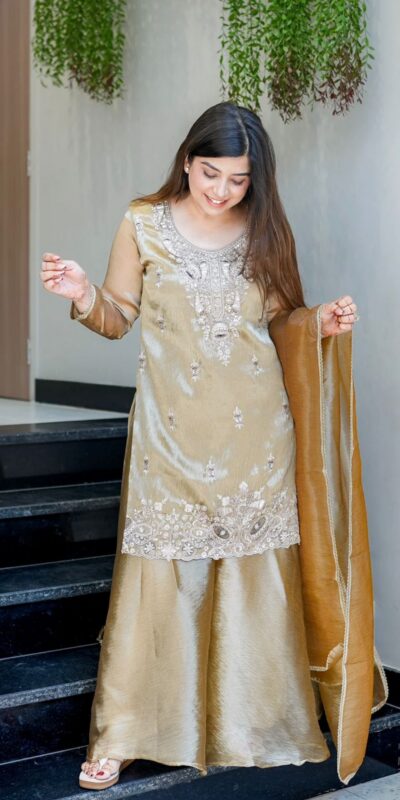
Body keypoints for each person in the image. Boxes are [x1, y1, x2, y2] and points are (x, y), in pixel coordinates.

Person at [40, 101, 387, 792]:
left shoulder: (265, 230)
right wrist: (82, 293)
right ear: (187, 160)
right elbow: (118, 316)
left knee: (255, 578)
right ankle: (124, 733)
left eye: (237, 179)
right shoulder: (143, 222)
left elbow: (282, 321)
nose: (222, 191)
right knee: (157, 581)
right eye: (210, 174)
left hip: (256, 436)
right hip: (168, 436)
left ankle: (257, 725)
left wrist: (319, 322)